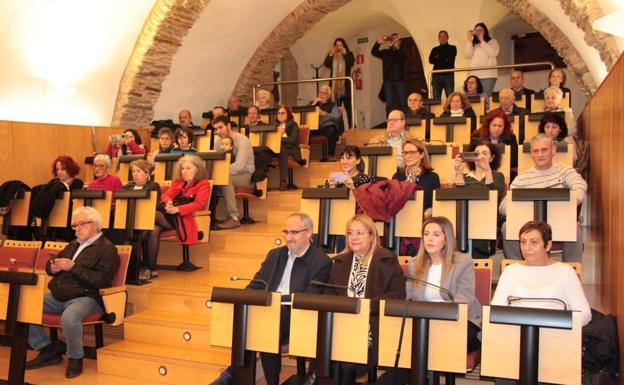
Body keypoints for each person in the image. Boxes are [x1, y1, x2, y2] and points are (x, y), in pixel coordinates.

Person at [210, 213, 332, 385]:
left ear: (309, 232)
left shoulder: (321, 261)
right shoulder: (275, 255)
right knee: (246, 319)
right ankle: (243, 376)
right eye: (286, 232)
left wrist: (273, 302)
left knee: (262, 325)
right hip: (269, 312)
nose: (289, 238)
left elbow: (309, 297)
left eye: (294, 233)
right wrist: (243, 299)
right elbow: (256, 284)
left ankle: (234, 375)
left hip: (297, 316)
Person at [25, 206, 120, 378]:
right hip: (59, 294)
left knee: (69, 317)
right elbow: (52, 265)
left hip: (87, 297)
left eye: (80, 225)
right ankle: (48, 349)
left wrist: (73, 268)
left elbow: (102, 281)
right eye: (74, 226)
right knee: (25, 304)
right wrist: (52, 268)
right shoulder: (73, 245)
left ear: (95, 225)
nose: (76, 229)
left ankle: (75, 358)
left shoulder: (108, 249)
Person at [326, 214, 405, 385]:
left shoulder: (386, 259)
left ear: (371, 235)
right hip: (342, 322)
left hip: (373, 322)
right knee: (324, 345)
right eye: (350, 232)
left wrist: (366, 307)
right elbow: (329, 294)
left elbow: (397, 294)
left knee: (345, 361)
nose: (353, 237)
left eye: (359, 233)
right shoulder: (340, 261)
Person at [500, 134, 587, 262]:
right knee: (507, 227)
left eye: (544, 150)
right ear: (531, 154)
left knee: (574, 227)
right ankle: (517, 269)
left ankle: (572, 269)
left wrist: (571, 204)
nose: (540, 154)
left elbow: (580, 185)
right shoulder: (522, 178)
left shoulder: (565, 171)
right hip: (528, 223)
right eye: (536, 151)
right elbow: (504, 205)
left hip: (558, 221)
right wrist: (519, 212)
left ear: (553, 150)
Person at [492, 220, 591, 326]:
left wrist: (555, 324)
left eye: (534, 242)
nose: (527, 248)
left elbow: (584, 314)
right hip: (516, 331)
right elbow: (495, 310)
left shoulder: (566, 272)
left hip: (555, 332)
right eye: (523, 242)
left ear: (548, 245)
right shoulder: (510, 271)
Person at [146, 155, 211, 276]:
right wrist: (169, 202)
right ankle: (151, 269)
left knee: (152, 215)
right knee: (153, 231)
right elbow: (165, 195)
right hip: (169, 215)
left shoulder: (203, 184)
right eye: (182, 168)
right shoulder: (178, 182)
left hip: (184, 218)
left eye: (188, 168)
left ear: (197, 169)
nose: (184, 171)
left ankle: (137, 236)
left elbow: (199, 204)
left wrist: (177, 209)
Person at [212, 115, 255, 229]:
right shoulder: (218, 141)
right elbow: (216, 160)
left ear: (229, 126)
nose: (218, 131)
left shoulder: (242, 140)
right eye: (216, 129)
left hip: (246, 175)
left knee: (225, 179)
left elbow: (239, 166)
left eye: (220, 127)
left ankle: (234, 218)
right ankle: (210, 216)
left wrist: (220, 172)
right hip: (227, 173)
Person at [393, 139, 440, 217]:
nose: (407, 156)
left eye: (412, 152)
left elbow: (435, 205)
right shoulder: (397, 177)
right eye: (405, 153)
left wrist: (425, 216)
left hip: (422, 218)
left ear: (422, 154)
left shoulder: (432, 177)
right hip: (400, 217)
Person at [323, 37, 355, 128]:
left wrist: (345, 54)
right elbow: (326, 64)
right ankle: (340, 130)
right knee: (337, 111)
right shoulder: (333, 56)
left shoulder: (349, 54)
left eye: (340, 45)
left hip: (346, 88)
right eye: (337, 45)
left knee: (349, 110)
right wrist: (330, 53)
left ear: (344, 46)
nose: (339, 47)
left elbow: (350, 63)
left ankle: (351, 128)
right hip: (335, 88)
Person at [372, 33, 408, 115]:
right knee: (389, 105)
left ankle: (407, 123)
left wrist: (397, 48)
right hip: (388, 81)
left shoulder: (403, 51)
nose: (394, 40)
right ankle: (390, 123)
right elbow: (374, 52)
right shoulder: (386, 52)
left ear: (399, 41)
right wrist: (378, 43)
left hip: (400, 81)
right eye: (393, 39)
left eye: (396, 39)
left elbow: (404, 56)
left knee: (403, 103)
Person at [464, 22, 499, 97]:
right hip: (473, 75)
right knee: (473, 99)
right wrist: (469, 40)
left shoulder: (492, 42)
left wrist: (482, 41)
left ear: (485, 31)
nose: (478, 32)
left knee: (485, 98)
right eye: (476, 30)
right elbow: (467, 55)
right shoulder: (473, 44)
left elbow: (493, 53)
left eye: (480, 30)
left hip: (488, 75)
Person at [276, 104, 305, 190]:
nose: (280, 115)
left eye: (283, 113)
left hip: (291, 149)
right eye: (278, 113)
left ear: (288, 114)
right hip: (276, 148)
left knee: (282, 150)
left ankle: (283, 181)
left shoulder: (293, 125)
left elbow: (292, 140)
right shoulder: (275, 126)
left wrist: (279, 138)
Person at [310, 85, 341, 159]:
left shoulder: (332, 105)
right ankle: (306, 155)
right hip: (315, 128)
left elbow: (336, 116)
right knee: (304, 131)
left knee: (331, 130)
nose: (321, 95)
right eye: (320, 92)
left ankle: (331, 155)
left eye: (324, 93)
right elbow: (306, 113)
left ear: (328, 96)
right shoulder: (313, 103)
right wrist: (313, 104)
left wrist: (324, 114)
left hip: (326, 127)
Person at [429, 30, 457, 99]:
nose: (442, 38)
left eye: (444, 36)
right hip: (436, 76)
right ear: (438, 38)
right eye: (440, 37)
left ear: (448, 38)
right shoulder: (434, 49)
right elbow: (431, 60)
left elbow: (450, 59)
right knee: (436, 98)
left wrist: (438, 57)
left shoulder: (452, 48)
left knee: (450, 98)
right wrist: (444, 58)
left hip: (448, 75)